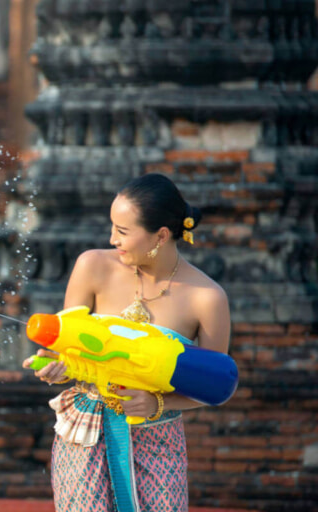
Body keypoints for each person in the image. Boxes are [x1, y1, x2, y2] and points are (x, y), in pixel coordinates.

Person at [23, 173, 230, 512]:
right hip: (86, 428)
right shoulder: (93, 266)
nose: (111, 239)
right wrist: (54, 367)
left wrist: (156, 405)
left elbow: (212, 387)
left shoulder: (207, 299)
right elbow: (64, 348)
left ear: (160, 235)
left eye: (122, 232)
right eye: (112, 227)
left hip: (157, 436)